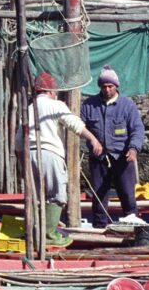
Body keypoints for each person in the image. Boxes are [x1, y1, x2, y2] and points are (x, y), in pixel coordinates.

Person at [15, 72, 103, 246]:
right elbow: (74, 124)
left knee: (36, 196)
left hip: (29, 153)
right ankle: (48, 235)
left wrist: (22, 161)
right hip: (50, 153)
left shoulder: (29, 109)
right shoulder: (56, 105)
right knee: (56, 195)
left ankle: (34, 233)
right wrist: (92, 138)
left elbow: (18, 140)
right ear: (50, 91)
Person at [81, 65, 145, 228]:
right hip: (99, 159)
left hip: (122, 157)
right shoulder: (89, 105)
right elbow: (79, 125)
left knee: (127, 194)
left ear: (116, 86)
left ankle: (132, 224)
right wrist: (92, 141)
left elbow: (137, 128)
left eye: (110, 86)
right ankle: (99, 226)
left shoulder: (127, 105)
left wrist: (133, 148)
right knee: (99, 195)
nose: (107, 89)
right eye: (104, 86)